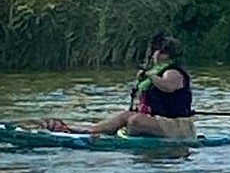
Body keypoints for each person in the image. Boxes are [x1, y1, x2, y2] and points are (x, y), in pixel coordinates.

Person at [42, 34, 196, 141]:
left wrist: (150, 76)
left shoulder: (173, 72)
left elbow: (168, 87)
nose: (154, 55)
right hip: (159, 121)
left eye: (158, 51)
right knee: (127, 115)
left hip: (177, 127)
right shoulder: (158, 72)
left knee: (134, 121)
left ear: (165, 54)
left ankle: (94, 131)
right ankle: (83, 130)